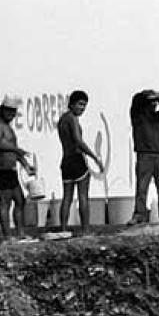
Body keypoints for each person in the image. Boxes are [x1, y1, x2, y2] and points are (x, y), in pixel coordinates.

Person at [57, 90, 104, 232]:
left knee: (67, 198)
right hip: (77, 160)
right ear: (71, 104)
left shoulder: (62, 119)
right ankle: (86, 229)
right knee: (83, 196)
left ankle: (64, 229)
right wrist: (94, 157)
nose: (82, 108)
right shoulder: (72, 118)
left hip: (66, 161)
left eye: (84, 105)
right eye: (80, 104)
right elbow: (78, 141)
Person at [0, 96, 36, 241]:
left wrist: (25, 165)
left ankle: (20, 233)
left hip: (10, 169)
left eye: (13, 112)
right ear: (2, 110)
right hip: (1, 169)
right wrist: (17, 149)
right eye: (9, 111)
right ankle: (7, 236)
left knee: (20, 200)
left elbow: (13, 151)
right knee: (6, 202)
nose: (11, 114)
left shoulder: (7, 127)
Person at [128, 89, 159, 225]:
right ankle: (139, 214)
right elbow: (137, 99)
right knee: (142, 188)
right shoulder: (137, 115)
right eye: (151, 101)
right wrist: (156, 95)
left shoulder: (158, 117)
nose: (154, 104)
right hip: (144, 154)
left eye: (155, 102)